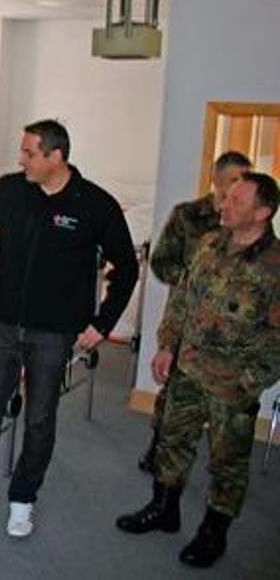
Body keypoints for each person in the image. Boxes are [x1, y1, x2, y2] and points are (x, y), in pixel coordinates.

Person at [0, 119, 138, 537]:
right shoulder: (13, 190)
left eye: (29, 153)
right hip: (3, 325)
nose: (21, 160)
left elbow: (127, 267)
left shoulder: (94, 204)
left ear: (56, 156)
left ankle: (23, 498)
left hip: (53, 333)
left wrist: (102, 323)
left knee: (39, 420)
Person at [116, 172, 280, 568]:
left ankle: (213, 533)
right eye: (227, 197)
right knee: (172, 440)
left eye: (237, 201)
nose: (224, 205)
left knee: (227, 462)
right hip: (187, 369)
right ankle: (163, 509)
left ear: (263, 212)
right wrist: (166, 346)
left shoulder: (275, 267)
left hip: (232, 384)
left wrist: (248, 382)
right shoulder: (209, 244)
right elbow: (182, 299)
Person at [139, 151, 251, 472]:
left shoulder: (245, 220)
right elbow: (162, 263)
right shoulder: (188, 216)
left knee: (225, 403)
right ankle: (158, 448)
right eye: (234, 179)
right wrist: (196, 283)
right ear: (216, 179)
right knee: (174, 392)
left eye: (244, 180)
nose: (239, 186)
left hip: (228, 327)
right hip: (186, 318)